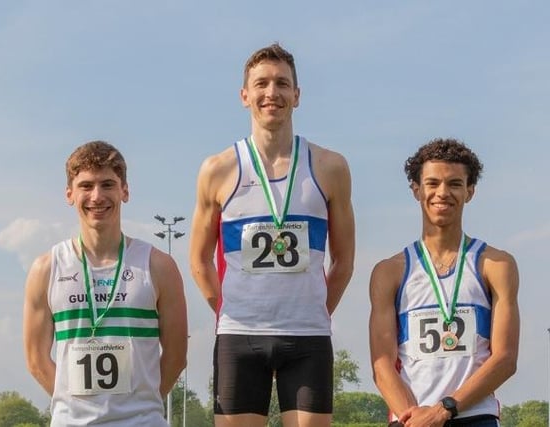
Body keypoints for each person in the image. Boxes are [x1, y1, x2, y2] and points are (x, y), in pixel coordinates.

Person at [189, 43, 355, 427]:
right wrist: (230, 309)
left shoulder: (331, 167)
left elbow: (344, 261)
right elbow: (198, 260)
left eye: (282, 84)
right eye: (261, 83)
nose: (272, 93)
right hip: (239, 335)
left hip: (308, 337)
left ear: (297, 95)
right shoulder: (217, 169)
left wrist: (314, 311)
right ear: (244, 95)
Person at [23, 141, 188, 426]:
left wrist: (139, 405)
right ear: (69, 194)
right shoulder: (46, 268)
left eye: (107, 184)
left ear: (125, 191)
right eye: (86, 186)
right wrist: (76, 405)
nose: (97, 196)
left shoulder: (159, 266)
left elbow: (175, 356)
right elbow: (36, 359)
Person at [369, 138, 520, 427]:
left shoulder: (496, 265)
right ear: (416, 189)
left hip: (475, 416)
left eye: (454, 184)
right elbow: (382, 364)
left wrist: (443, 410)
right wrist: (416, 419)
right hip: (410, 417)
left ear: (470, 191)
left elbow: (505, 358)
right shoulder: (389, 272)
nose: (442, 193)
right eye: (432, 183)